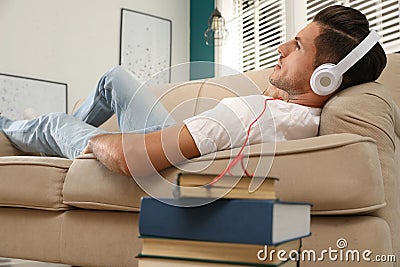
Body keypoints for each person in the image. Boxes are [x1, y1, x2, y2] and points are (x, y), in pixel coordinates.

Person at [0, 5, 387, 178]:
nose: (282, 47)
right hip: (182, 133)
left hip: (156, 152)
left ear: (326, 78)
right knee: (113, 78)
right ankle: (58, 147)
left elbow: (130, 158)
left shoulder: (250, 115)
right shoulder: (295, 115)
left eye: (298, 46)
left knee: (53, 122)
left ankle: (9, 129)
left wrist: (91, 143)